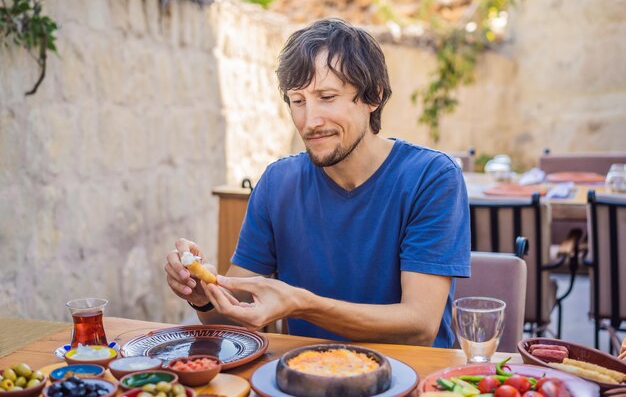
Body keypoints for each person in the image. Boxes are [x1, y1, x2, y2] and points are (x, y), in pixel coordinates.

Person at [164, 18, 470, 348]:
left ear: (373, 97)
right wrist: (204, 296)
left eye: (326, 97)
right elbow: (232, 315)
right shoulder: (277, 183)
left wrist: (303, 304)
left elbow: (419, 324)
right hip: (306, 375)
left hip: (411, 377)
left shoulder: (431, 178)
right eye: (298, 101)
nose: (310, 121)